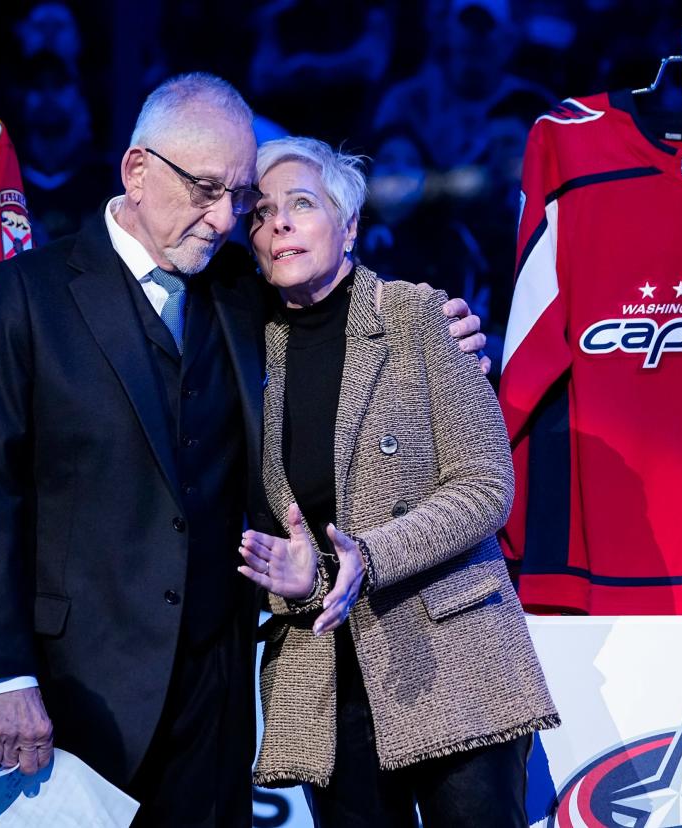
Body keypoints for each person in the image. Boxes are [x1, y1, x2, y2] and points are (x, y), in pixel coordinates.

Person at [0, 74, 487, 827]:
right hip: (67, 689)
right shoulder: (27, 293)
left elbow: (339, 304)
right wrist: (2, 675)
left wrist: (437, 334)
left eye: (237, 196)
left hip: (214, 689)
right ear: (137, 172)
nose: (226, 217)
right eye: (206, 189)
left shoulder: (237, 287)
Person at [237, 136, 558, 827]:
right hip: (323, 674)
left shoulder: (419, 316)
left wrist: (371, 557)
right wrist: (292, 575)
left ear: (350, 224)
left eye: (302, 204)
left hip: (451, 656)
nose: (280, 223)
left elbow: (484, 485)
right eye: (262, 213)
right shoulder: (242, 350)